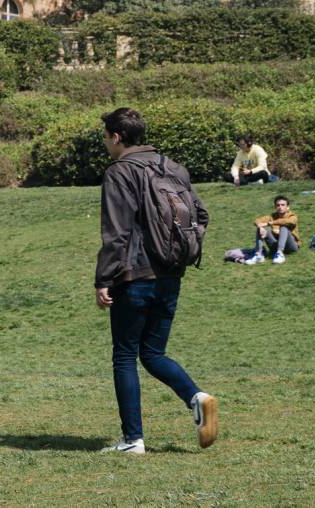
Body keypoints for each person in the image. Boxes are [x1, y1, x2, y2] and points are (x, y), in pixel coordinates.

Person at [96, 107, 218, 454]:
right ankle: (196, 396)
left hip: (133, 276)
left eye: (106, 136)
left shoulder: (120, 171)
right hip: (170, 274)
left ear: (116, 137)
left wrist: (103, 278)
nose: (105, 143)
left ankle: (133, 440)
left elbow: (117, 233)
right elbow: (202, 215)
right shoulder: (172, 167)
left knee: (124, 356)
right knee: (153, 353)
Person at [243, 194, 298, 265]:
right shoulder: (272, 216)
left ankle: (280, 254)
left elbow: (289, 221)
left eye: (283, 205)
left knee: (283, 227)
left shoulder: (292, 216)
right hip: (275, 246)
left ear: (288, 207)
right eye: (278, 205)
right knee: (261, 227)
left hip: (291, 247)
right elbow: (257, 221)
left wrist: (270, 223)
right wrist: (260, 227)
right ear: (275, 207)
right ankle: (259, 254)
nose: (280, 207)